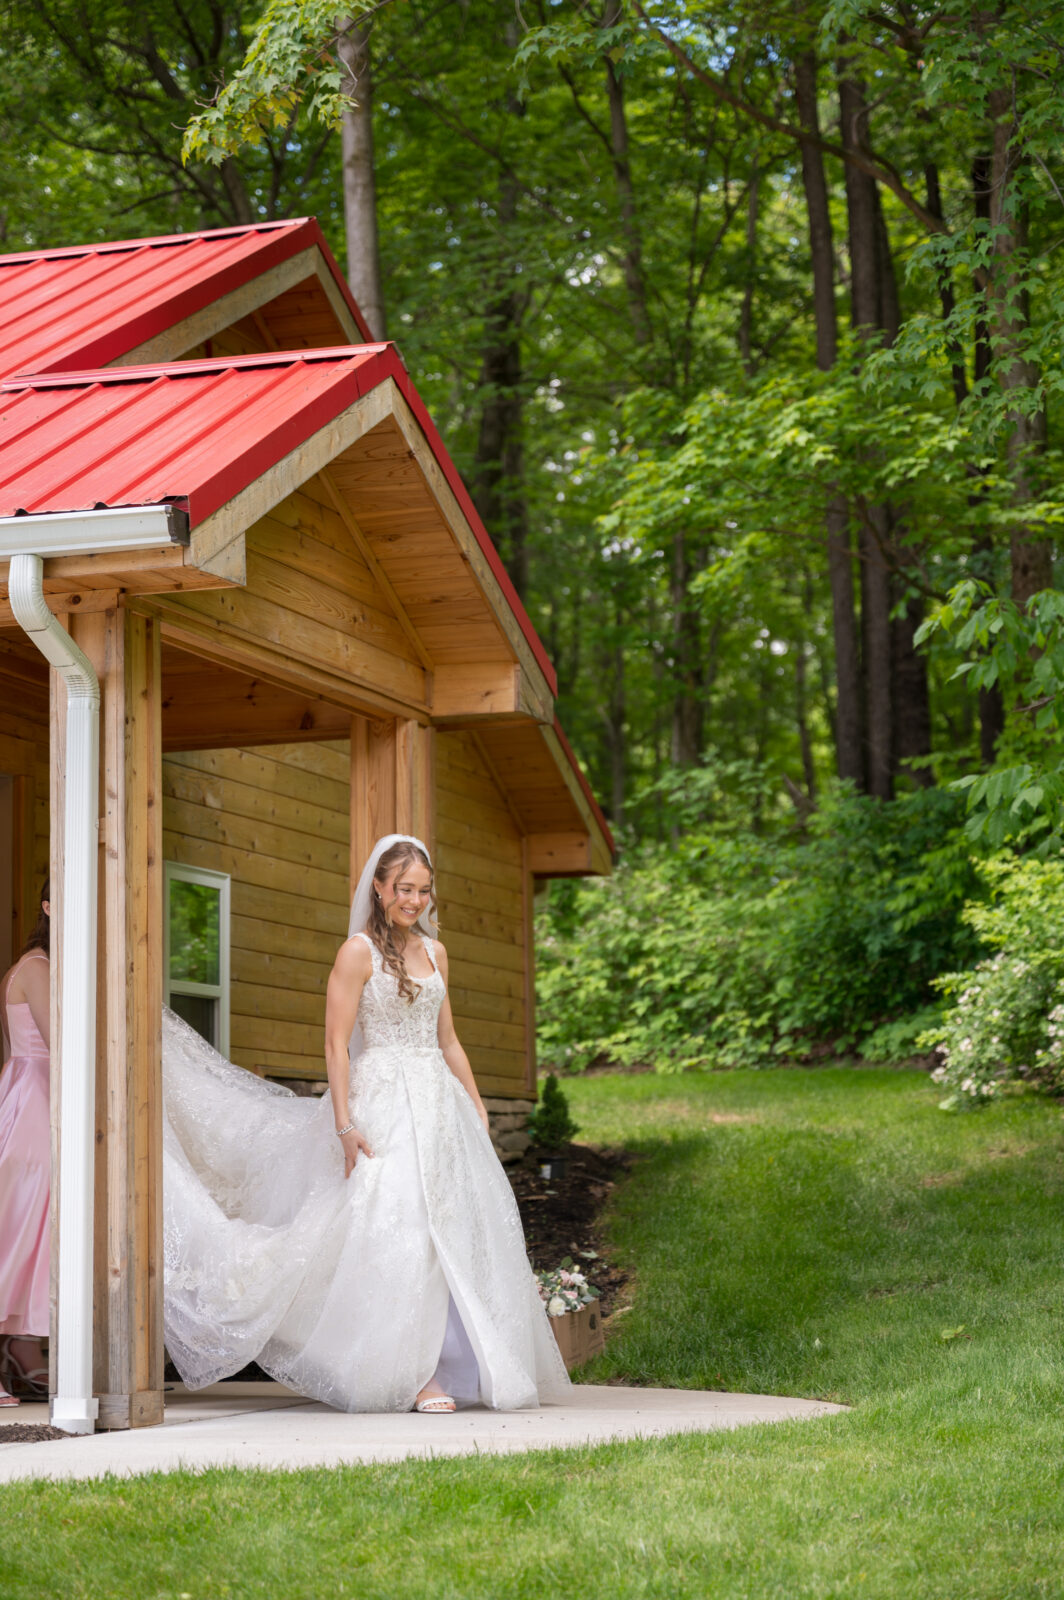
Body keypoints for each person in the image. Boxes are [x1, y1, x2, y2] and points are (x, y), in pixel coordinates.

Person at [163, 833, 569, 1414]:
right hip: (382, 1102)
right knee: (399, 1229)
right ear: (379, 888)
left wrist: (476, 1102)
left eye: (424, 890)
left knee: (452, 1227)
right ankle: (415, 1375)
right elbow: (335, 1043)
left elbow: (448, 1039)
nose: (415, 900)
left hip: (437, 1103)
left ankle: (466, 1365)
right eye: (404, 889)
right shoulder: (356, 952)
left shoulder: (437, 953)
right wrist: (345, 1125)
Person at [0, 881, 51, 1407]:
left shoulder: (44, 966)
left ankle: (22, 1346)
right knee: (16, 1229)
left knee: (37, 1226)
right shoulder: (36, 969)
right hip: (34, 1102)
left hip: (35, 1098)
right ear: (47, 907)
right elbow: (62, 1044)